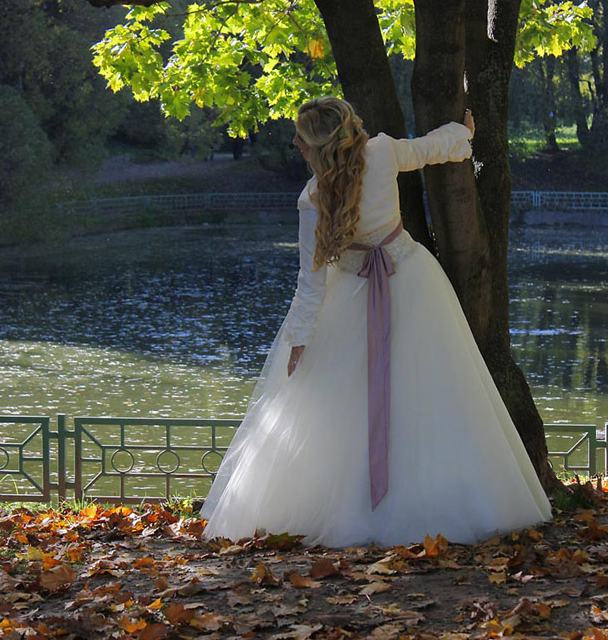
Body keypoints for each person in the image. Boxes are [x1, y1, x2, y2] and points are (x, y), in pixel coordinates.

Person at [201, 96, 551, 547]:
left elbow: (311, 282)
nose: (294, 143)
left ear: (321, 144)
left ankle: (364, 513)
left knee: (353, 404)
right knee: (424, 397)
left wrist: (302, 341)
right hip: (412, 282)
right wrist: (463, 134)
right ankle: (436, 504)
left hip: (349, 296)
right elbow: (429, 148)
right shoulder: (381, 152)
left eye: (301, 137)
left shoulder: (313, 197)